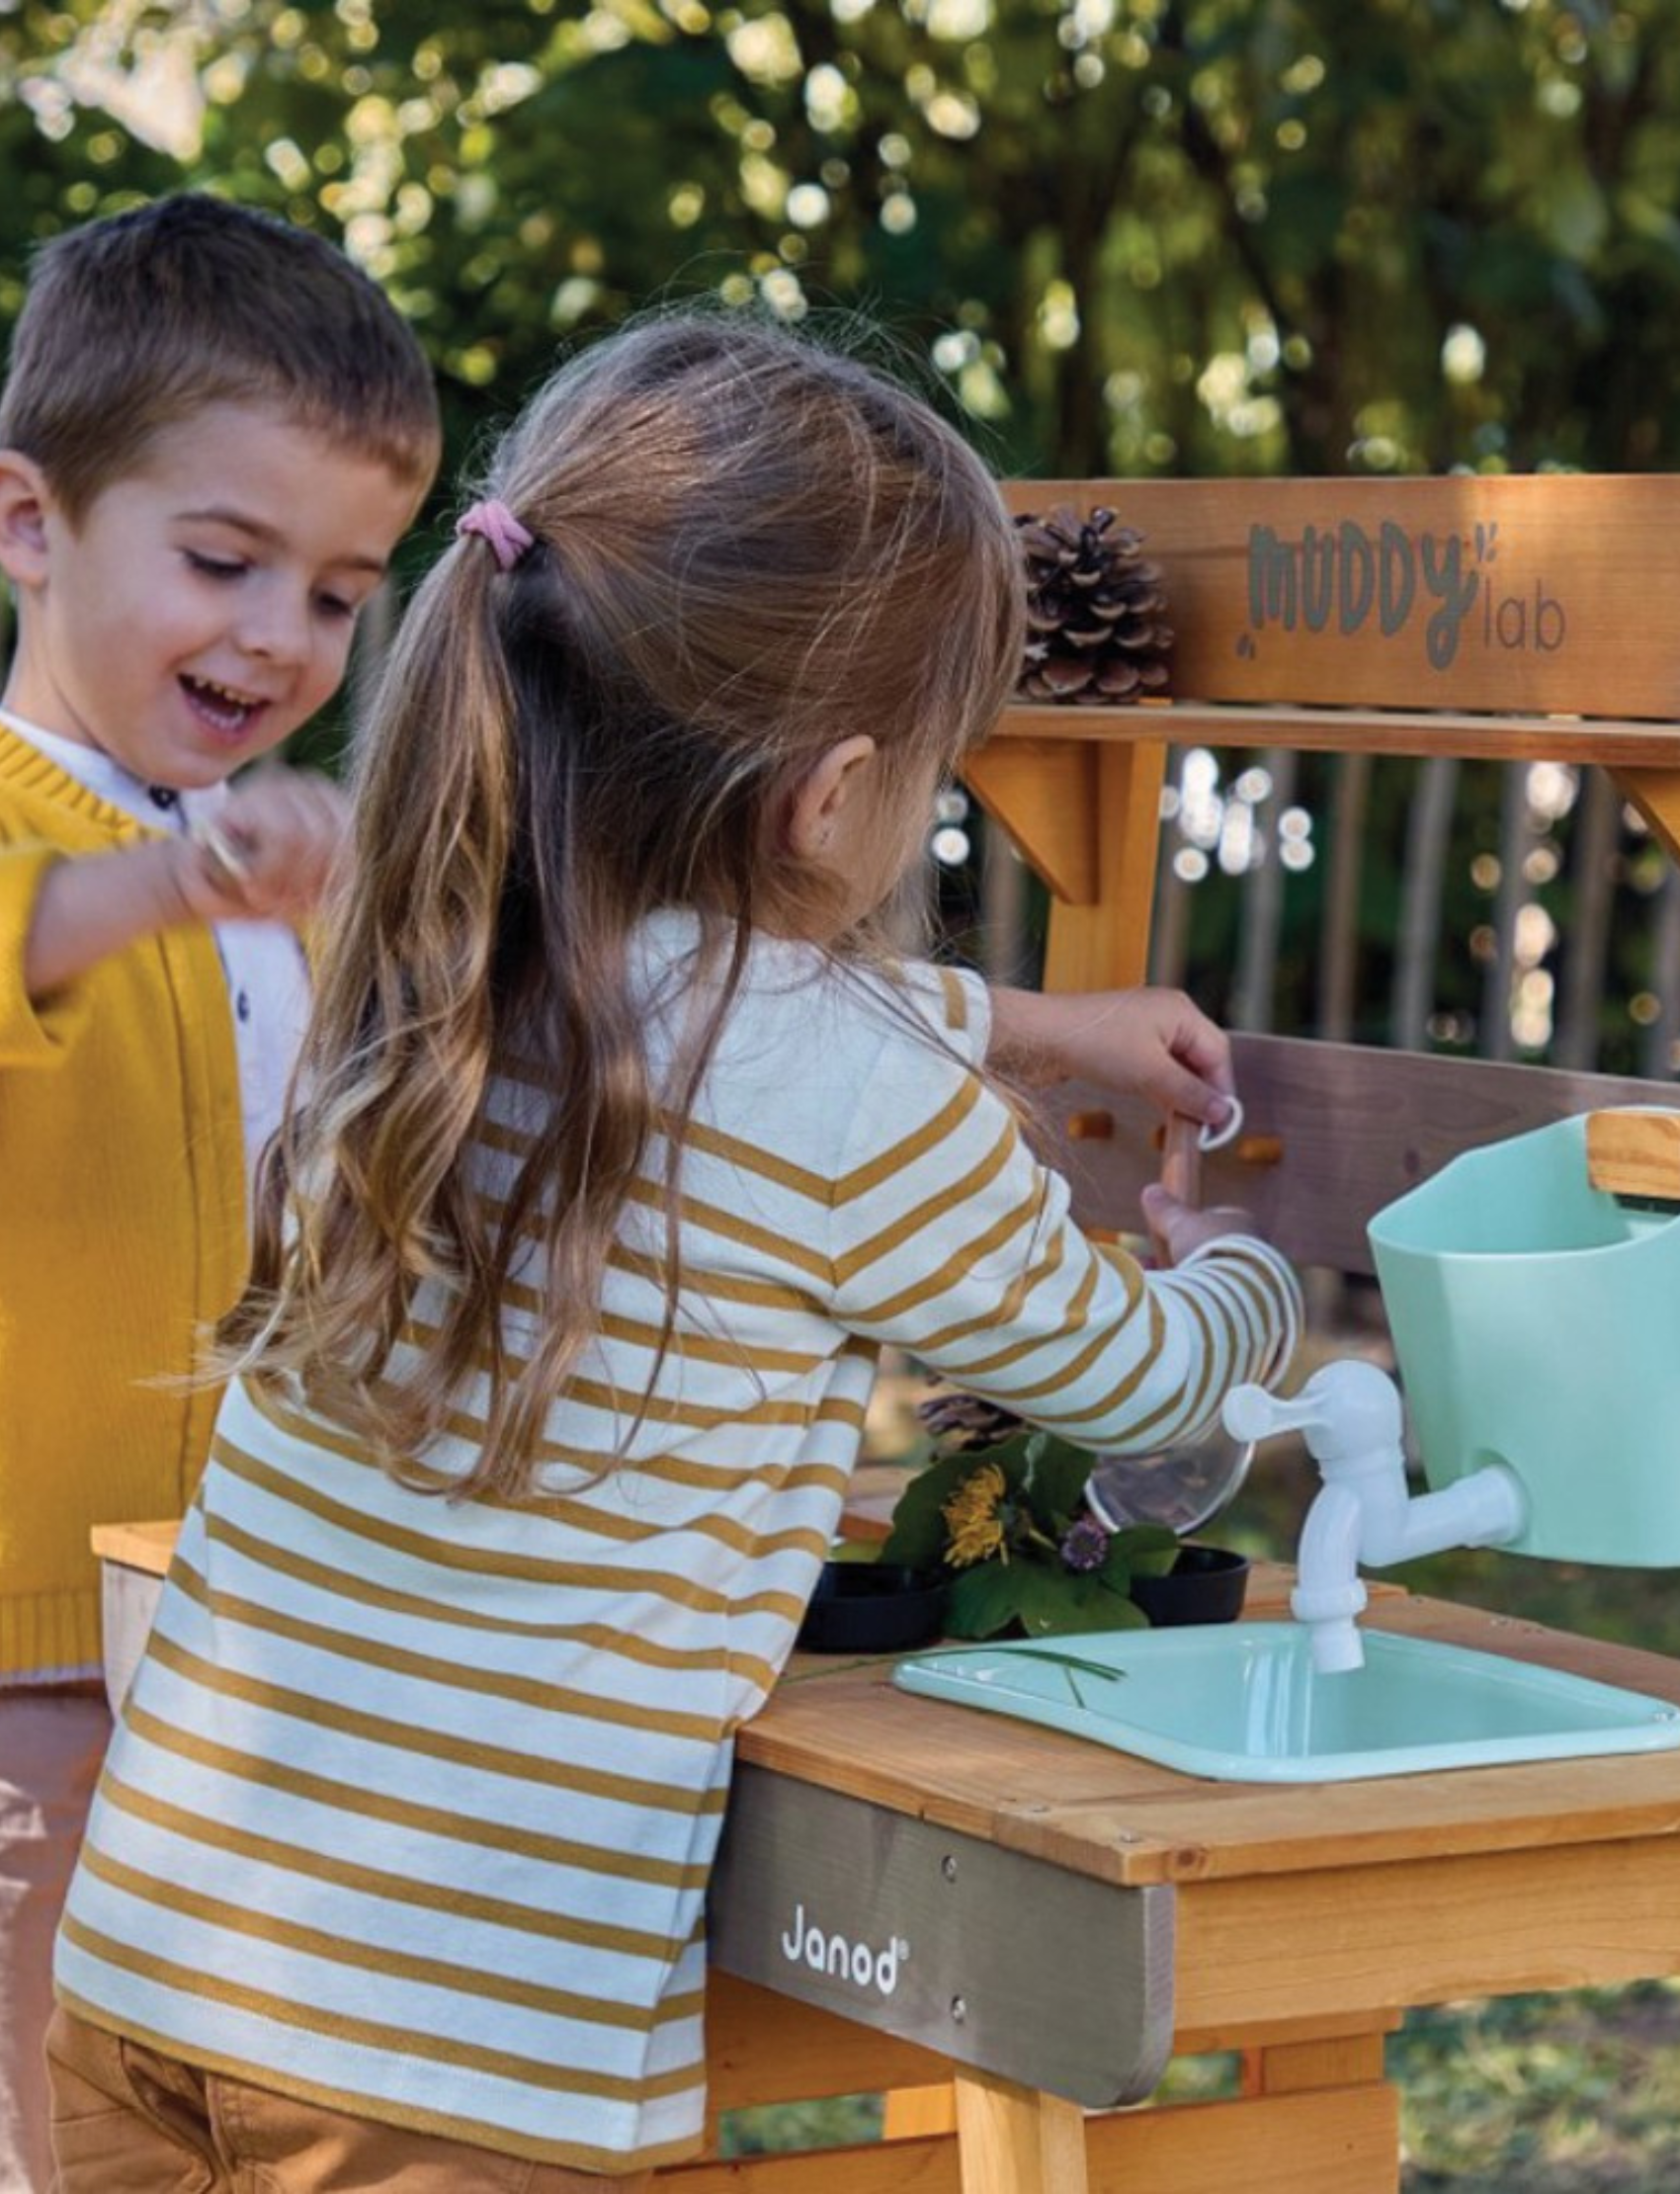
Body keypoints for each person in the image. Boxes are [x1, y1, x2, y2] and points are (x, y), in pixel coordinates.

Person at [47, 311, 1299, 2191]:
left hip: (148, 1974)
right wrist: (1252, 1262)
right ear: (828, 797)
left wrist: (1039, 1025)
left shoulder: (436, 962)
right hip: (444, 2071)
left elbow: (735, 1024)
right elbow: (1137, 1374)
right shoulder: (856, 1097)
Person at [0, 193, 441, 2191]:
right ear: (30, 526)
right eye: (222, 560)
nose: (279, 637)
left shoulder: (257, 864)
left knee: (190, 2100)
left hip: (230, 1612)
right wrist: (186, 880)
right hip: (21, 1641)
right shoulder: (69, 843)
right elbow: (34, 941)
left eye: (340, 595)